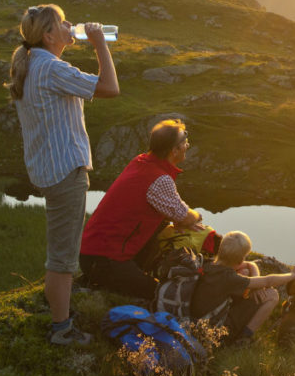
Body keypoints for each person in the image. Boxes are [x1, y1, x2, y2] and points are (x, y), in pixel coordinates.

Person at [6, 4, 119, 345]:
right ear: (48, 35)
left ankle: (59, 312)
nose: (71, 26)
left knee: (62, 249)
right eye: (63, 22)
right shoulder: (51, 67)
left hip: (50, 169)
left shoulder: (35, 64)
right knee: (63, 257)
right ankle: (62, 329)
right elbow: (110, 87)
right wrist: (100, 42)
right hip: (64, 172)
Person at [79, 119, 206, 299]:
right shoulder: (159, 179)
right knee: (159, 293)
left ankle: (121, 274)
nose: (187, 144)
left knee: (163, 224)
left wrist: (177, 220)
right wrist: (196, 215)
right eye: (184, 141)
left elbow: (171, 212)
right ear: (174, 150)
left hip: (93, 255)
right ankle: (104, 282)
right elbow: (186, 216)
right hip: (105, 261)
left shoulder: (141, 162)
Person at [190, 231, 295, 345]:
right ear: (240, 259)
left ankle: (240, 334)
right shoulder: (229, 278)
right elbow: (268, 281)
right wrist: (293, 275)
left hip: (198, 321)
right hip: (216, 332)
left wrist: (256, 286)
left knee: (244, 271)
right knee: (272, 295)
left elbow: (250, 264)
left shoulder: (209, 264)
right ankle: (243, 339)